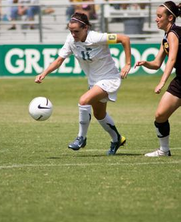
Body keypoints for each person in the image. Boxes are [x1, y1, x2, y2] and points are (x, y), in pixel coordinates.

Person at [35, 12, 131, 155]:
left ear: (86, 28)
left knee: (83, 101)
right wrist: (44, 73)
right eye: (71, 31)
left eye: (76, 31)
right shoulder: (71, 40)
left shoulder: (96, 37)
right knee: (99, 114)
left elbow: (124, 38)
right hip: (94, 81)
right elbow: (59, 60)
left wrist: (127, 64)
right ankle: (116, 138)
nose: (73, 34)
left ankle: (81, 138)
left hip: (109, 78)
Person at [135, 1, 181, 157]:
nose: (156, 19)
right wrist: (145, 63)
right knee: (160, 115)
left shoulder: (174, 33)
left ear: (170, 18)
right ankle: (164, 150)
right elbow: (156, 63)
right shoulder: (166, 36)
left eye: (159, 16)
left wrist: (162, 81)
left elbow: (172, 59)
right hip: (180, 81)